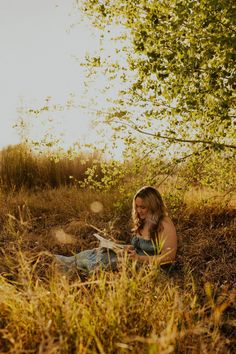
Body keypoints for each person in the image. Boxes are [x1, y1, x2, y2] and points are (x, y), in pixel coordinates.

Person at [55, 186, 177, 275]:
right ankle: (58, 263)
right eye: (137, 207)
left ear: (153, 206)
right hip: (134, 260)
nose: (138, 211)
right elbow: (141, 248)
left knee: (104, 260)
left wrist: (139, 259)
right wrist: (123, 248)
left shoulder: (164, 224)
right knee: (97, 252)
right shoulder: (144, 220)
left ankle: (68, 269)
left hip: (150, 268)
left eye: (143, 207)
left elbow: (169, 257)